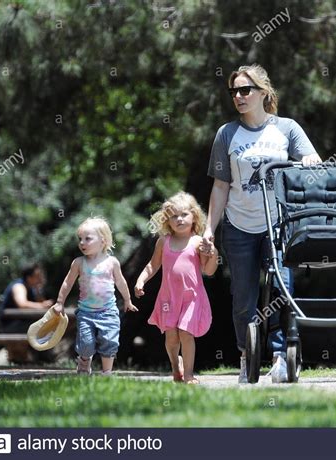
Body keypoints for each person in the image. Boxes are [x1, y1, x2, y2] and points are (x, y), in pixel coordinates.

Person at [203, 64, 322, 383]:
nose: (239, 97)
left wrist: (309, 160)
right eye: (234, 92)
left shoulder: (287, 129)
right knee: (243, 297)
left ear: (263, 92)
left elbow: (313, 165)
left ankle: (281, 357)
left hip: (278, 226)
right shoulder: (226, 134)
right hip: (239, 227)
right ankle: (247, 356)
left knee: (282, 288)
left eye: (245, 90)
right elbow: (220, 186)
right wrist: (208, 230)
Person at [135, 192, 218, 384]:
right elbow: (152, 265)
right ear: (167, 221)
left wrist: (213, 253)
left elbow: (209, 270)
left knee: (186, 332)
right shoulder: (164, 241)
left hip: (192, 297)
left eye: (184, 214)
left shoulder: (198, 242)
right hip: (169, 297)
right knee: (171, 336)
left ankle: (189, 374)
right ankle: (175, 366)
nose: (179, 219)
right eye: (174, 216)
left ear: (194, 217)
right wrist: (141, 281)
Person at [52, 217, 137, 375]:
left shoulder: (112, 262)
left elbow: (121, 282)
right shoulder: (78, 263)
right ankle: (84, 361)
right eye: (80, 239)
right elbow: (67, 283)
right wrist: (59, 302)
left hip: (108, 312)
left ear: (103, 241)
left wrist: (127, 300)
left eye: (87, 239)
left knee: (109, 341)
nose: (82, 243)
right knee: (86, 343)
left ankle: (106, 372)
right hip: (86, 312)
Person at [0, 263, 54, 333]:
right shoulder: (19, 286)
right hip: (11, 326)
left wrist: (38, 291)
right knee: (47, 326)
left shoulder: (31, 288)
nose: (40, 278)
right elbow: (22, 304)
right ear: (29, 278)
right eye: (37, 276)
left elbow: (39, 304)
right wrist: (42, 305)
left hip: (21, 323)